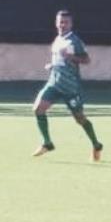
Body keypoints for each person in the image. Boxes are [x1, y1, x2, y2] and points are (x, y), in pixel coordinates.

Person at [31, 10, 103, 161]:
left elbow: (87, 60)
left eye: (65, 22)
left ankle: (96, 145)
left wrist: (72, 56)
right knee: (38, 109)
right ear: (56, 23)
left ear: (71, 24)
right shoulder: (58, 39)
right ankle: (47, 143)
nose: (62, 25)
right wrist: (53, 65)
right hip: (54, 83)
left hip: (70, 86)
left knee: (80, 119)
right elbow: (60, 60)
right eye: (60, 22)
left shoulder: (74, 41)